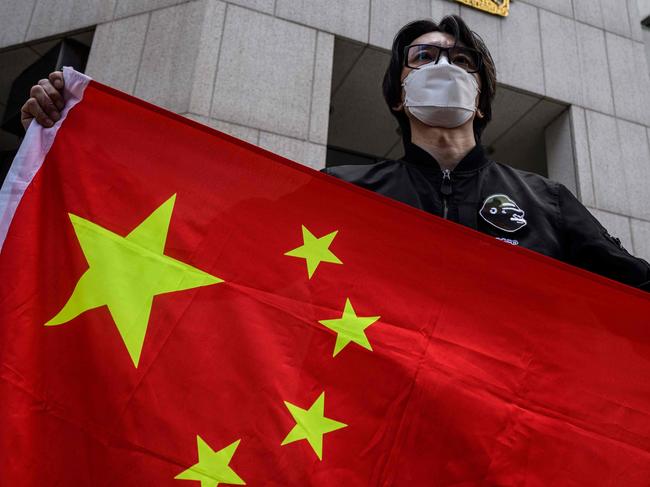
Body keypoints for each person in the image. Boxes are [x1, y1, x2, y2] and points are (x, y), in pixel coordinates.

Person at [19, 16, 650, 291]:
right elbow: (208, 236)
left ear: (481, 97)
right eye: (423, 58)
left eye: (460, 62)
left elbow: (634, 289)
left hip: (509, 436)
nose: (442, 67)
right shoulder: (344, 191)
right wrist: (68, 137)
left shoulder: (546, 201)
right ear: (400, 93)